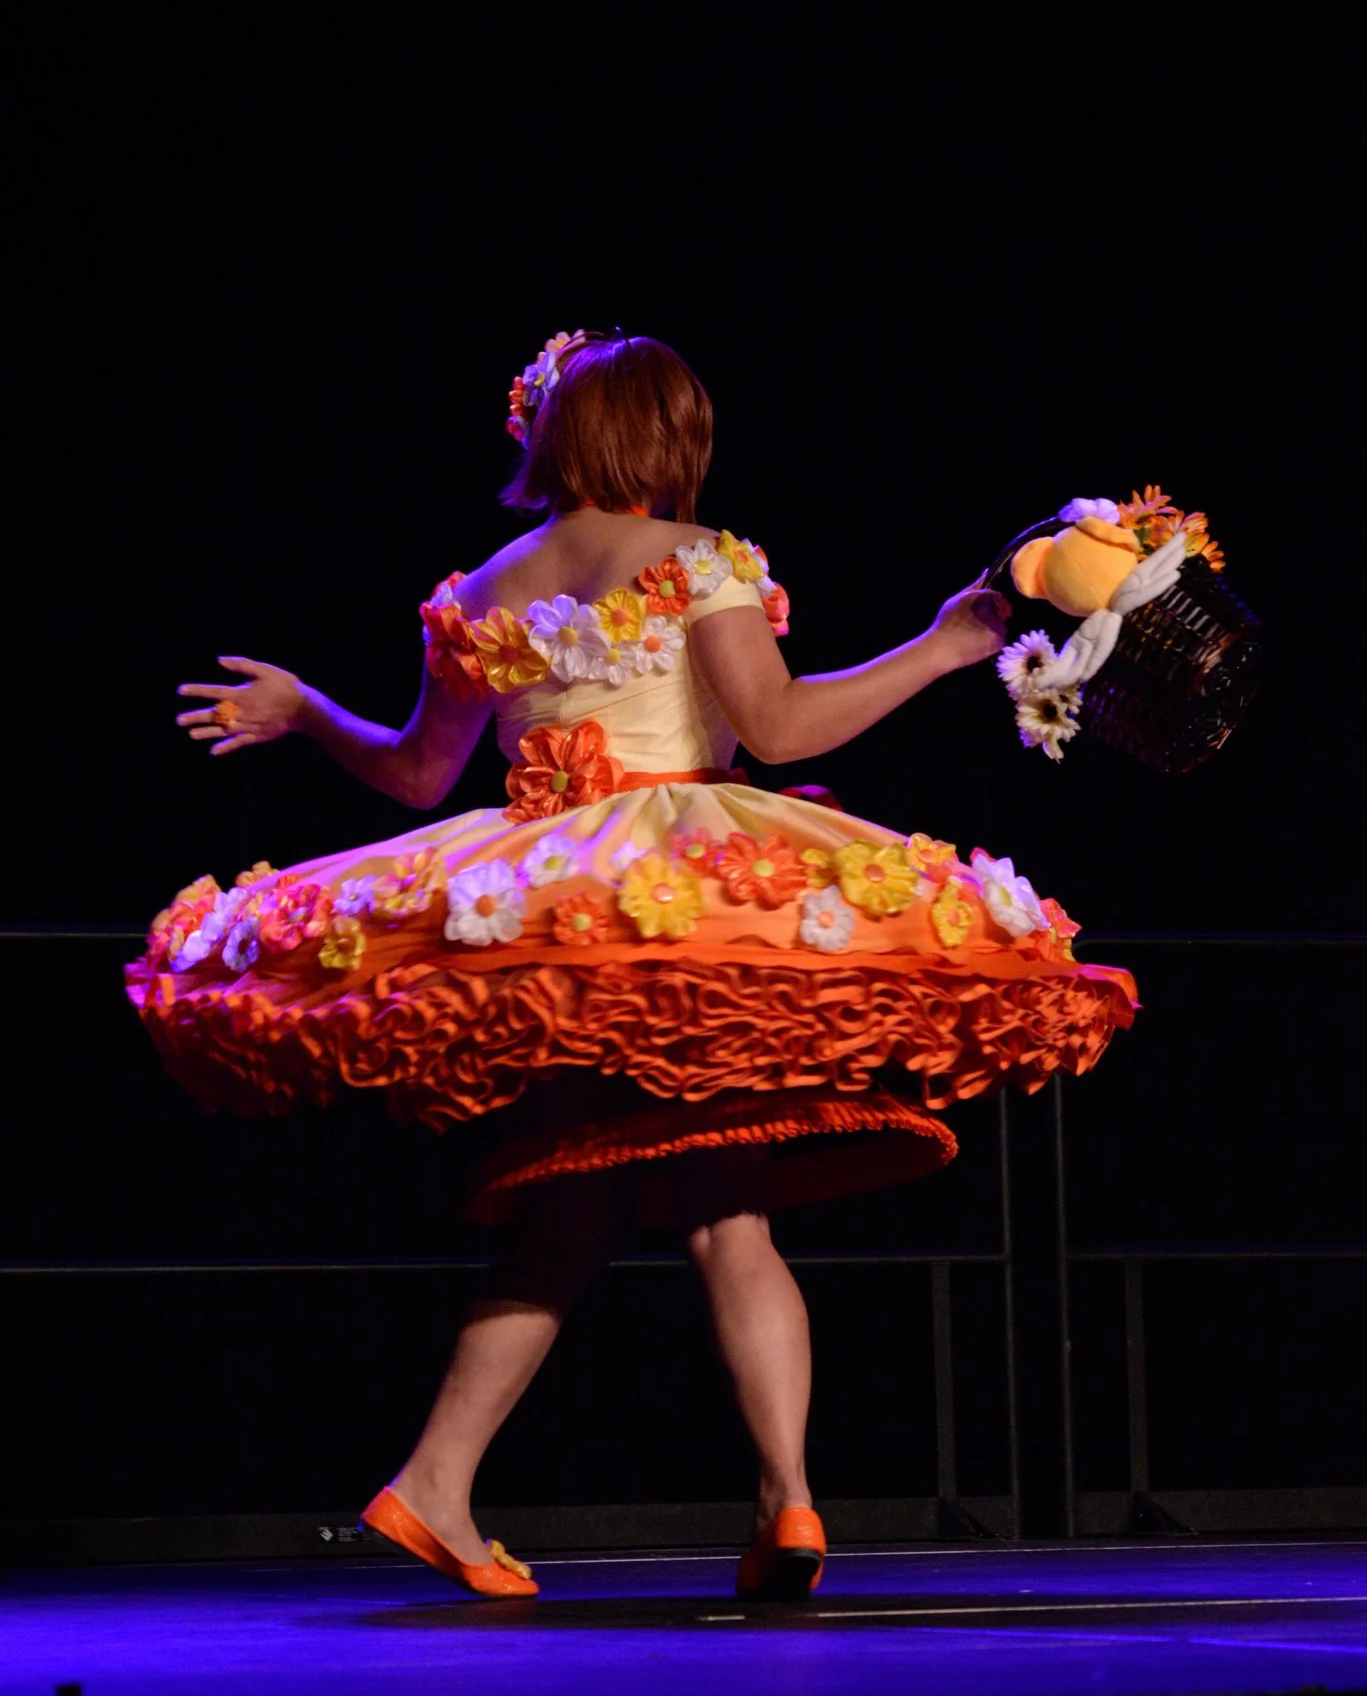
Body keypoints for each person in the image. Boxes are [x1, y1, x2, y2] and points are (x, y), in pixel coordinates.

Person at [130, 329, 1137, 1601]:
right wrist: (940, 646)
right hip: (675, 907)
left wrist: (307, 710)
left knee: (587, 1201)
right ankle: (777, 1500)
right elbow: (773, 729)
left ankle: (451, 1481)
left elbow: (415, 774)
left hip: (546, 911)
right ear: (668, 437)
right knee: (717, 1208)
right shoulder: (697, 558)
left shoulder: (484, 583)